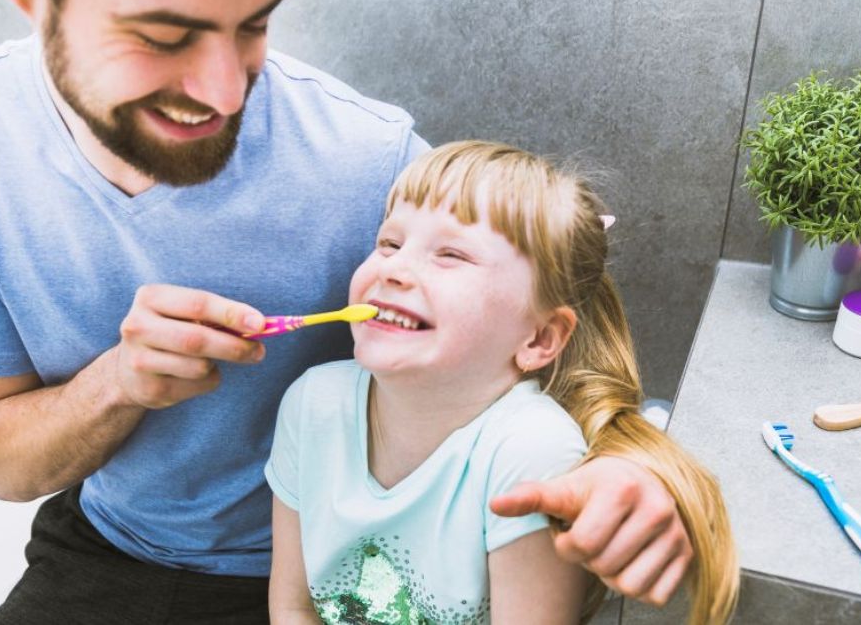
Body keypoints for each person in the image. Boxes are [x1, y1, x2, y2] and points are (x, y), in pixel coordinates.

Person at [0, 0, 697, 622]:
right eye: (164, 36)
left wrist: (640, 472)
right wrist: (118, 383)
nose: (224, 90)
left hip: (309, 561)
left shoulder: (360, 155)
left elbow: (558, 330)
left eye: (253, 25)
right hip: (109, 546)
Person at [266, 141, 738, 625]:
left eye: (450, 254)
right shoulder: (312, 404)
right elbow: (291, 607)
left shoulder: (530, 453)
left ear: (539, 338)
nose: (395, 268)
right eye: (390, 242)